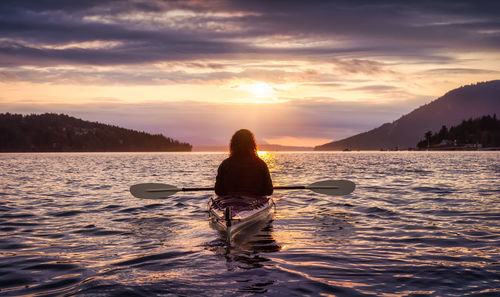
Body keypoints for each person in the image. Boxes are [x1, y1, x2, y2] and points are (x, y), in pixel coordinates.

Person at [215, 129, 273, 197]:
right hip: (254, 202)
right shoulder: (261, 164)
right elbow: (268, 190)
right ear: (252, 144)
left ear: (233, 145)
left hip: (229, 202)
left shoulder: (225, 164)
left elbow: (218, 191)